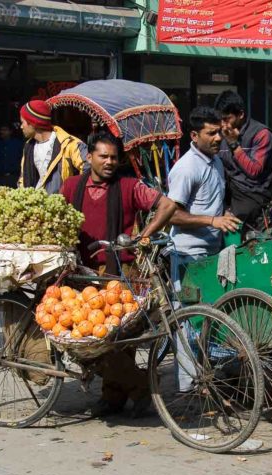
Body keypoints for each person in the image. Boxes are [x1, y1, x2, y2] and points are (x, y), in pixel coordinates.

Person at [61, 132, 176, 417]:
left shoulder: (128, 186)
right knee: (89, 340)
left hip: (119, 272)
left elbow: (167, 205)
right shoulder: (71, 186)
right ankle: (123, 392)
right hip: (80, 272)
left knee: (114, 339)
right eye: (103, 156)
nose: (110, 162)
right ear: (89, 157)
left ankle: (126, 392)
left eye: (114, 157)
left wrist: (144, 236)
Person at [167, 106, 240, 280]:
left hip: (212, 251)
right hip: (188, 255)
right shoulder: (186, 168)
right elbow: (171, 215)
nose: (218, 138)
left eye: (219, 132)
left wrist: (224, 214)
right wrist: (213, 221)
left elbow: (208, 204)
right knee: (190, 307)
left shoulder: (216, 161)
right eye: (211, 133)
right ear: (194, 136)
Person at [214, 90, 272, 230]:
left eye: (227, 119)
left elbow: (254, 171)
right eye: (221, 120)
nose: (223, 124)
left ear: (241, 114)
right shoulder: (221, 134)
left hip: (253, 196)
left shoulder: (261, 134)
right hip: (228, 194)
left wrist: (234, 144)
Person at [19, 100, 87, 194]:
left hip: (61, 205)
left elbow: (89, 168)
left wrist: (72, 193)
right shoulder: (29, 146)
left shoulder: (70, 144)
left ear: (33, 123)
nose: (21, 126)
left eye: (23, 122)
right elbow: (23, 178)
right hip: (35, 205)